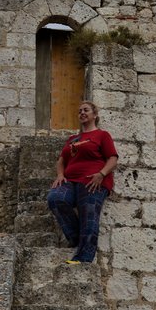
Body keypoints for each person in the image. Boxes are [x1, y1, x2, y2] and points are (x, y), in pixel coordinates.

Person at [47, 101, 118, 264]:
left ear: (95, 114)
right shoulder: (73, 138)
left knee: (89, 217)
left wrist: (101, 174)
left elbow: (113, 159)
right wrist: (59, 175)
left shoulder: (102, 135)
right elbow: (61, 160)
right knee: (56, 199)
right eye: (79, 111)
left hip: (93, 181)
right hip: (69, 180)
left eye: (86, 110)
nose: (82, 113)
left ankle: (83, 259)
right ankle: (77, 238)